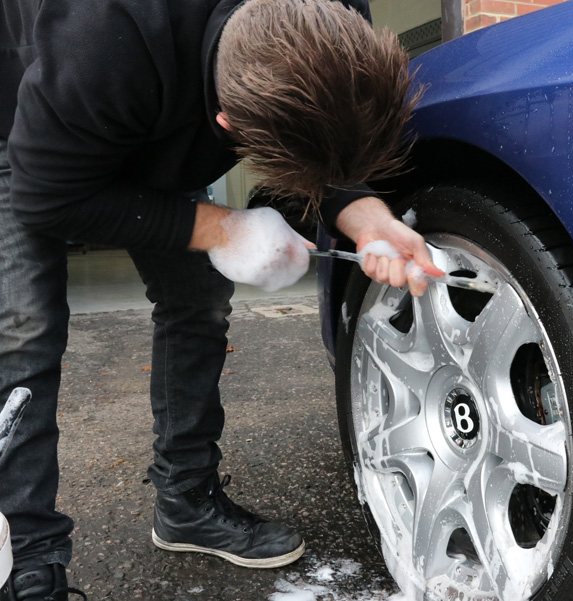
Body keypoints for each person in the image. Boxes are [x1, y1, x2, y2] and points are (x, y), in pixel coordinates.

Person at [0, 0, 444, 598]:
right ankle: (26, 556)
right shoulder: (105, 41)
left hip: (151, 83)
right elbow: (48, 198)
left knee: (198, 297)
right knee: (24, 328)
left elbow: (329, 137)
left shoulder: (337, 14)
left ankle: (185, 499)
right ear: (228, 123)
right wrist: (221, 229)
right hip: (28, 133)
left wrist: (364, 215)